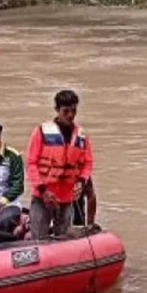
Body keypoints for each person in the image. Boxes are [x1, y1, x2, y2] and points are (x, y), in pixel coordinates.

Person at [26, 90, 94, 240]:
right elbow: (31, 163)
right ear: (57, 110)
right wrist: (43, 190)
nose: (70, 115)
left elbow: (87, 163)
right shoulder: (41, 132)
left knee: (63, 239)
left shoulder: (82, 136)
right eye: (66, 111)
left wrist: (81, 181)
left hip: (66, 197)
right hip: (43, 196)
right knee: (38, 238)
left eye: (73, 111)